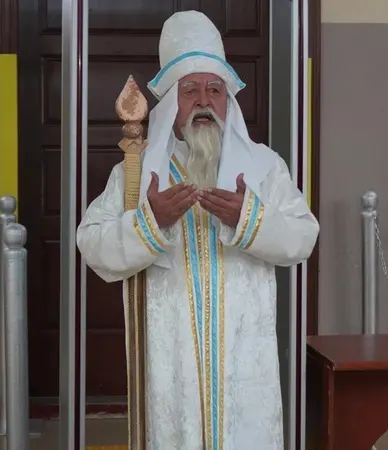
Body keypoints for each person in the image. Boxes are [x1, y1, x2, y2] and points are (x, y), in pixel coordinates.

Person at [76, 10, 319, 450]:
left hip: (246, 367)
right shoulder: (136, 172)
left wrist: (250, 219)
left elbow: (303, 238)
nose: (204, 101)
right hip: (172, 368)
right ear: (172, 101)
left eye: (214, 90)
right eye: (190, 91)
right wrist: (150, 222)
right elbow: (92, 243)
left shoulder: (263, 167)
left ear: (227, 100)